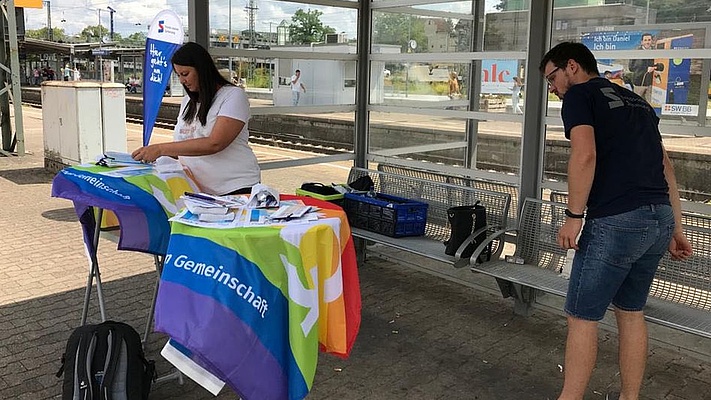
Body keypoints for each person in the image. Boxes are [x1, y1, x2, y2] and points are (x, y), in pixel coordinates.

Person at [539, 42, 692, 400]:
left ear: (571, 66)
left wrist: (573, 216)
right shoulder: (636, 102)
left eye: (552, 78)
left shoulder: (580, 96)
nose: (554, 88)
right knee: (631, 312)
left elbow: (584, 154)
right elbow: (665, 166)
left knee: (581, 317)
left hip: (617, 220)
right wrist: (676, 228)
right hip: (658, 220)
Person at [131, 42, 261, 196]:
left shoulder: (233, 96)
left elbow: (215, 143)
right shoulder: (188, 102)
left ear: (202, 69)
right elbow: (184, 147)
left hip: (235, 189)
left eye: (185, 74)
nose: (181, 80)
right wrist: (149, 155)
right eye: (178, 75)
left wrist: (160, 149)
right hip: (198, 191)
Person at [628, 33, 656, 103]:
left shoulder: (655, 52)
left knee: (649, 105)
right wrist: (644, 69)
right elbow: (631, 68)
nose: (647, 42)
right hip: (639, 83)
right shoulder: (636, 52)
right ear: (642, 42)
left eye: (649, 40)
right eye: (645, 40)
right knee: (637, 103)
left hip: (651, 83)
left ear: (652, 41)